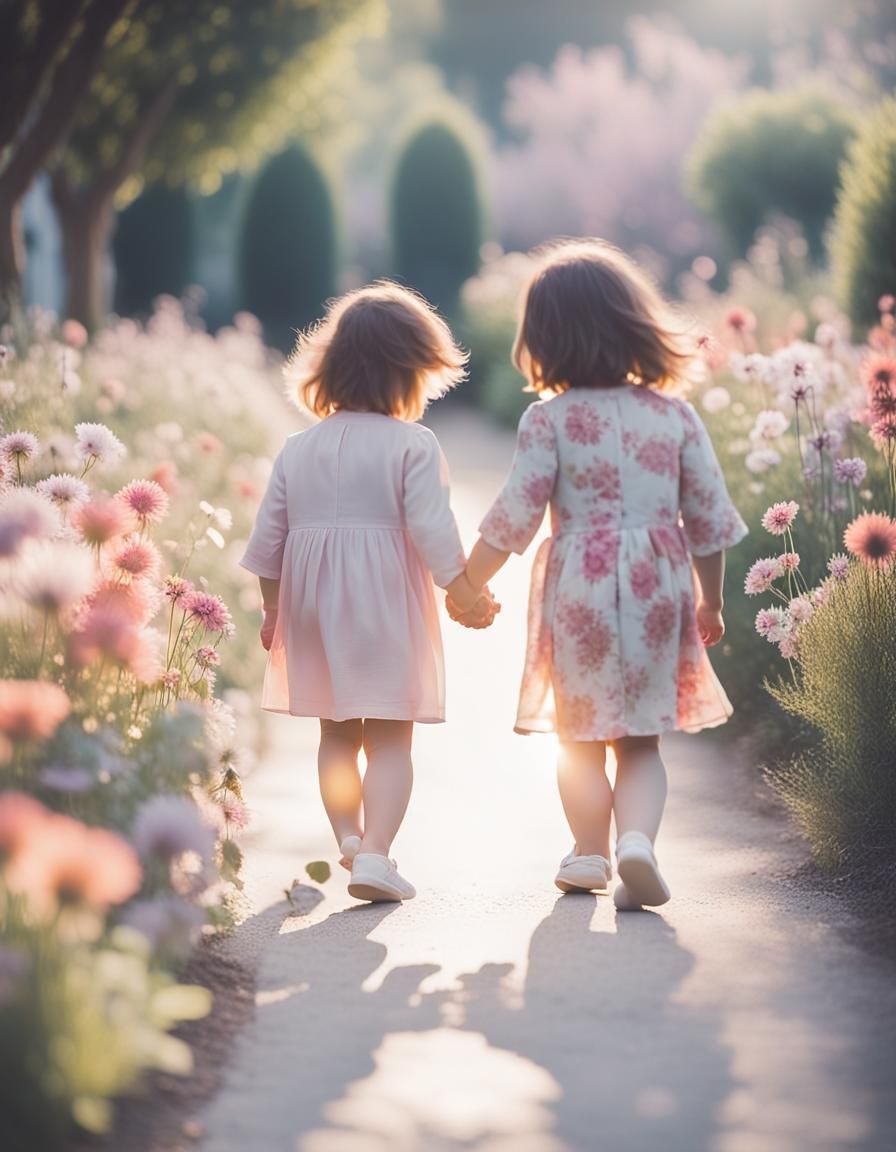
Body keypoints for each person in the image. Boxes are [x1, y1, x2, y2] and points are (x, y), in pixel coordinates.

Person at [448, 239, 747, 909]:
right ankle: (636, 842)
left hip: (579, 589)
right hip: (656, 585)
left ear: (543, 339)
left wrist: (468, 582)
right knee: (640, 741)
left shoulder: (549, 420)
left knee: (579, 739)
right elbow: (707, 517)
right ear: (635, 323)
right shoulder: (674, 416)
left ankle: (588, 853)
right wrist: (712, 600)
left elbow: (513, 515)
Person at [241, 282, 497, 903]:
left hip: (313, 609)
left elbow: (267, 541)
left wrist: (274, 608)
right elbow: (434, 531)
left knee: (335, 734)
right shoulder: (412, 445)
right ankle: (378, 853)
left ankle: (349, 836)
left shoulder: (299, 448)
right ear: (412, 371)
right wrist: (465, 593)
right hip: (384, 606)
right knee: (389, 735)